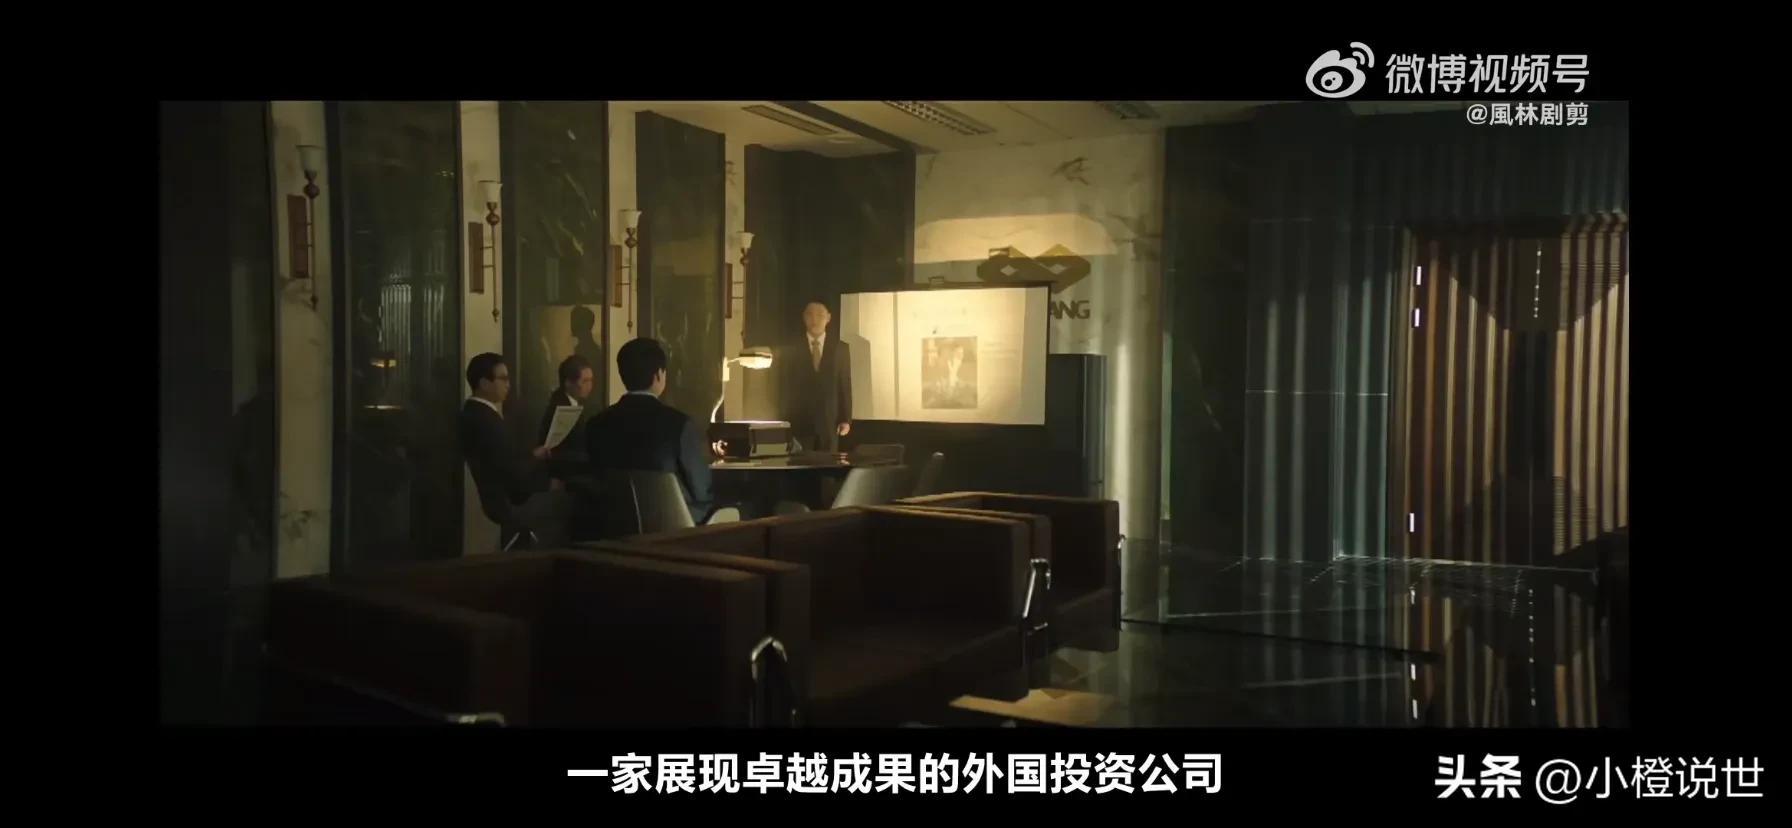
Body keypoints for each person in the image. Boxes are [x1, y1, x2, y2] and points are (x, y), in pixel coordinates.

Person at [584, 337, 718, 522]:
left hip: (612, 526)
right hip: (671, 528)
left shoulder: (596, 425)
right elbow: (702, 490)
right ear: (659, 375)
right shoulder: (678, 425)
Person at [459, 353, 574, 547]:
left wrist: (533, 455)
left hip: (499, 500)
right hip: (513, 502)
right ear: (484, 383)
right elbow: (514, 474)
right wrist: (547, 482)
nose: (509, 385)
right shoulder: (487, 421)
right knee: (572, 501)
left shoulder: (474, 413)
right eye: (503, 379)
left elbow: (504, 460)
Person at [781, 300, 853, 452]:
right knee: (800, 462)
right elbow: (784, 384)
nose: (814, 319)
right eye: (810, 314)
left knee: (828, 462)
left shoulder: (840, 348)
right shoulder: (792, 346)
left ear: (828, 317)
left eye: (820, 315)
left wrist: (846, 419)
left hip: (829, 421)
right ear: (803, 317)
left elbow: (844, 384)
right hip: (799, 421)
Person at [536, 354, 595, 446]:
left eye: (591, 380)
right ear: (568, 383)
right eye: (585, 381)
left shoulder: (588, 405)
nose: (590, 385)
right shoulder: (556, 408)